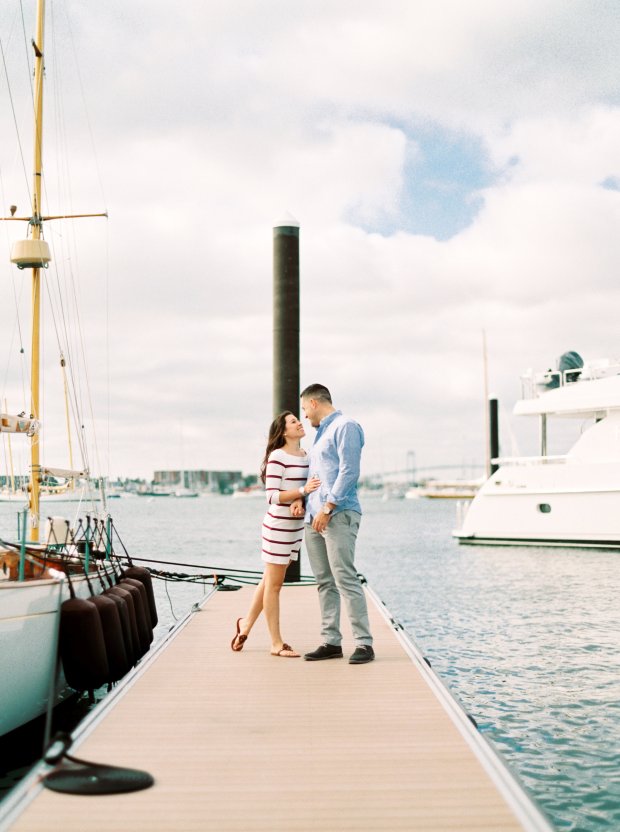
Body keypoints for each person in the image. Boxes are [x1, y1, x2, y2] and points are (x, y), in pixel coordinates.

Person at [231, 411, 320, 657]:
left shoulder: (306, 455)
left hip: (295, 527)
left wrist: (300, 498)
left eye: (298, 420)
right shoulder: (278, 456)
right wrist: (301, 490)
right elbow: (271, 496)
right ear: (283, 432)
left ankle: (245, 624)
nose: (299, 423)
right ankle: (276, 643)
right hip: (278, 527)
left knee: (269, 579)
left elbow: (302, 491)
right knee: (275, 585)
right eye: (293, 422)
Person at [300, 384, 374, 664]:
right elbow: (317, 474)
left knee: (345, 577)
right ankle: (331, 641)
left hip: (338, 514)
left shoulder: (346, 426)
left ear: (315, 403)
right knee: (324, 581)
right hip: (314, 517)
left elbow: (349, 470)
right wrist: (303, 499)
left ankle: (364, 644)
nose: (305, 416)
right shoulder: (320, 434)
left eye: (305, 409)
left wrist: (329, 506)